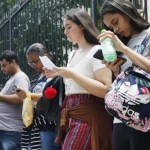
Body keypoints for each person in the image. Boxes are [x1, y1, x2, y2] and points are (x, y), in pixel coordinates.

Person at [44, 8, 113, 150]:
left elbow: (106, 89)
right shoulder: (72, 54)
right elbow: (77, 81)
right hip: (69, 115)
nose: (65, 32)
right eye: (64, 28)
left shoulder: (97, 50)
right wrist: (58, 73)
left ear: (82, 25)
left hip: (88, 114)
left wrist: (71, 74)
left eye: (69, 27)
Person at [98, 0, 150, 150]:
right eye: (111, 27)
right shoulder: (123, 43)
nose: (115, 29)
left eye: (115, 22)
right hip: (121, 117)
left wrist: (124, 49)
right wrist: (115, 71)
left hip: (144, 116)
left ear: (126, 12)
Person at [17, 43, 62, 150]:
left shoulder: (57, 74)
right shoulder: (41, 77)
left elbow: (51, 97)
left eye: (35, 62)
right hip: (38, 126)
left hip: (50, 125)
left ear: (45, 56)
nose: (34, 66)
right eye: (31, 63)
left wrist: (29, 95)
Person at [0, 50, 30, 150]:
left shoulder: (20, 77)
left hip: (10, 130)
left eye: (4, 65)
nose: (2, 69)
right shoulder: (12, 79)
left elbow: (20, 98)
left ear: (13, 62)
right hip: (5, 129)